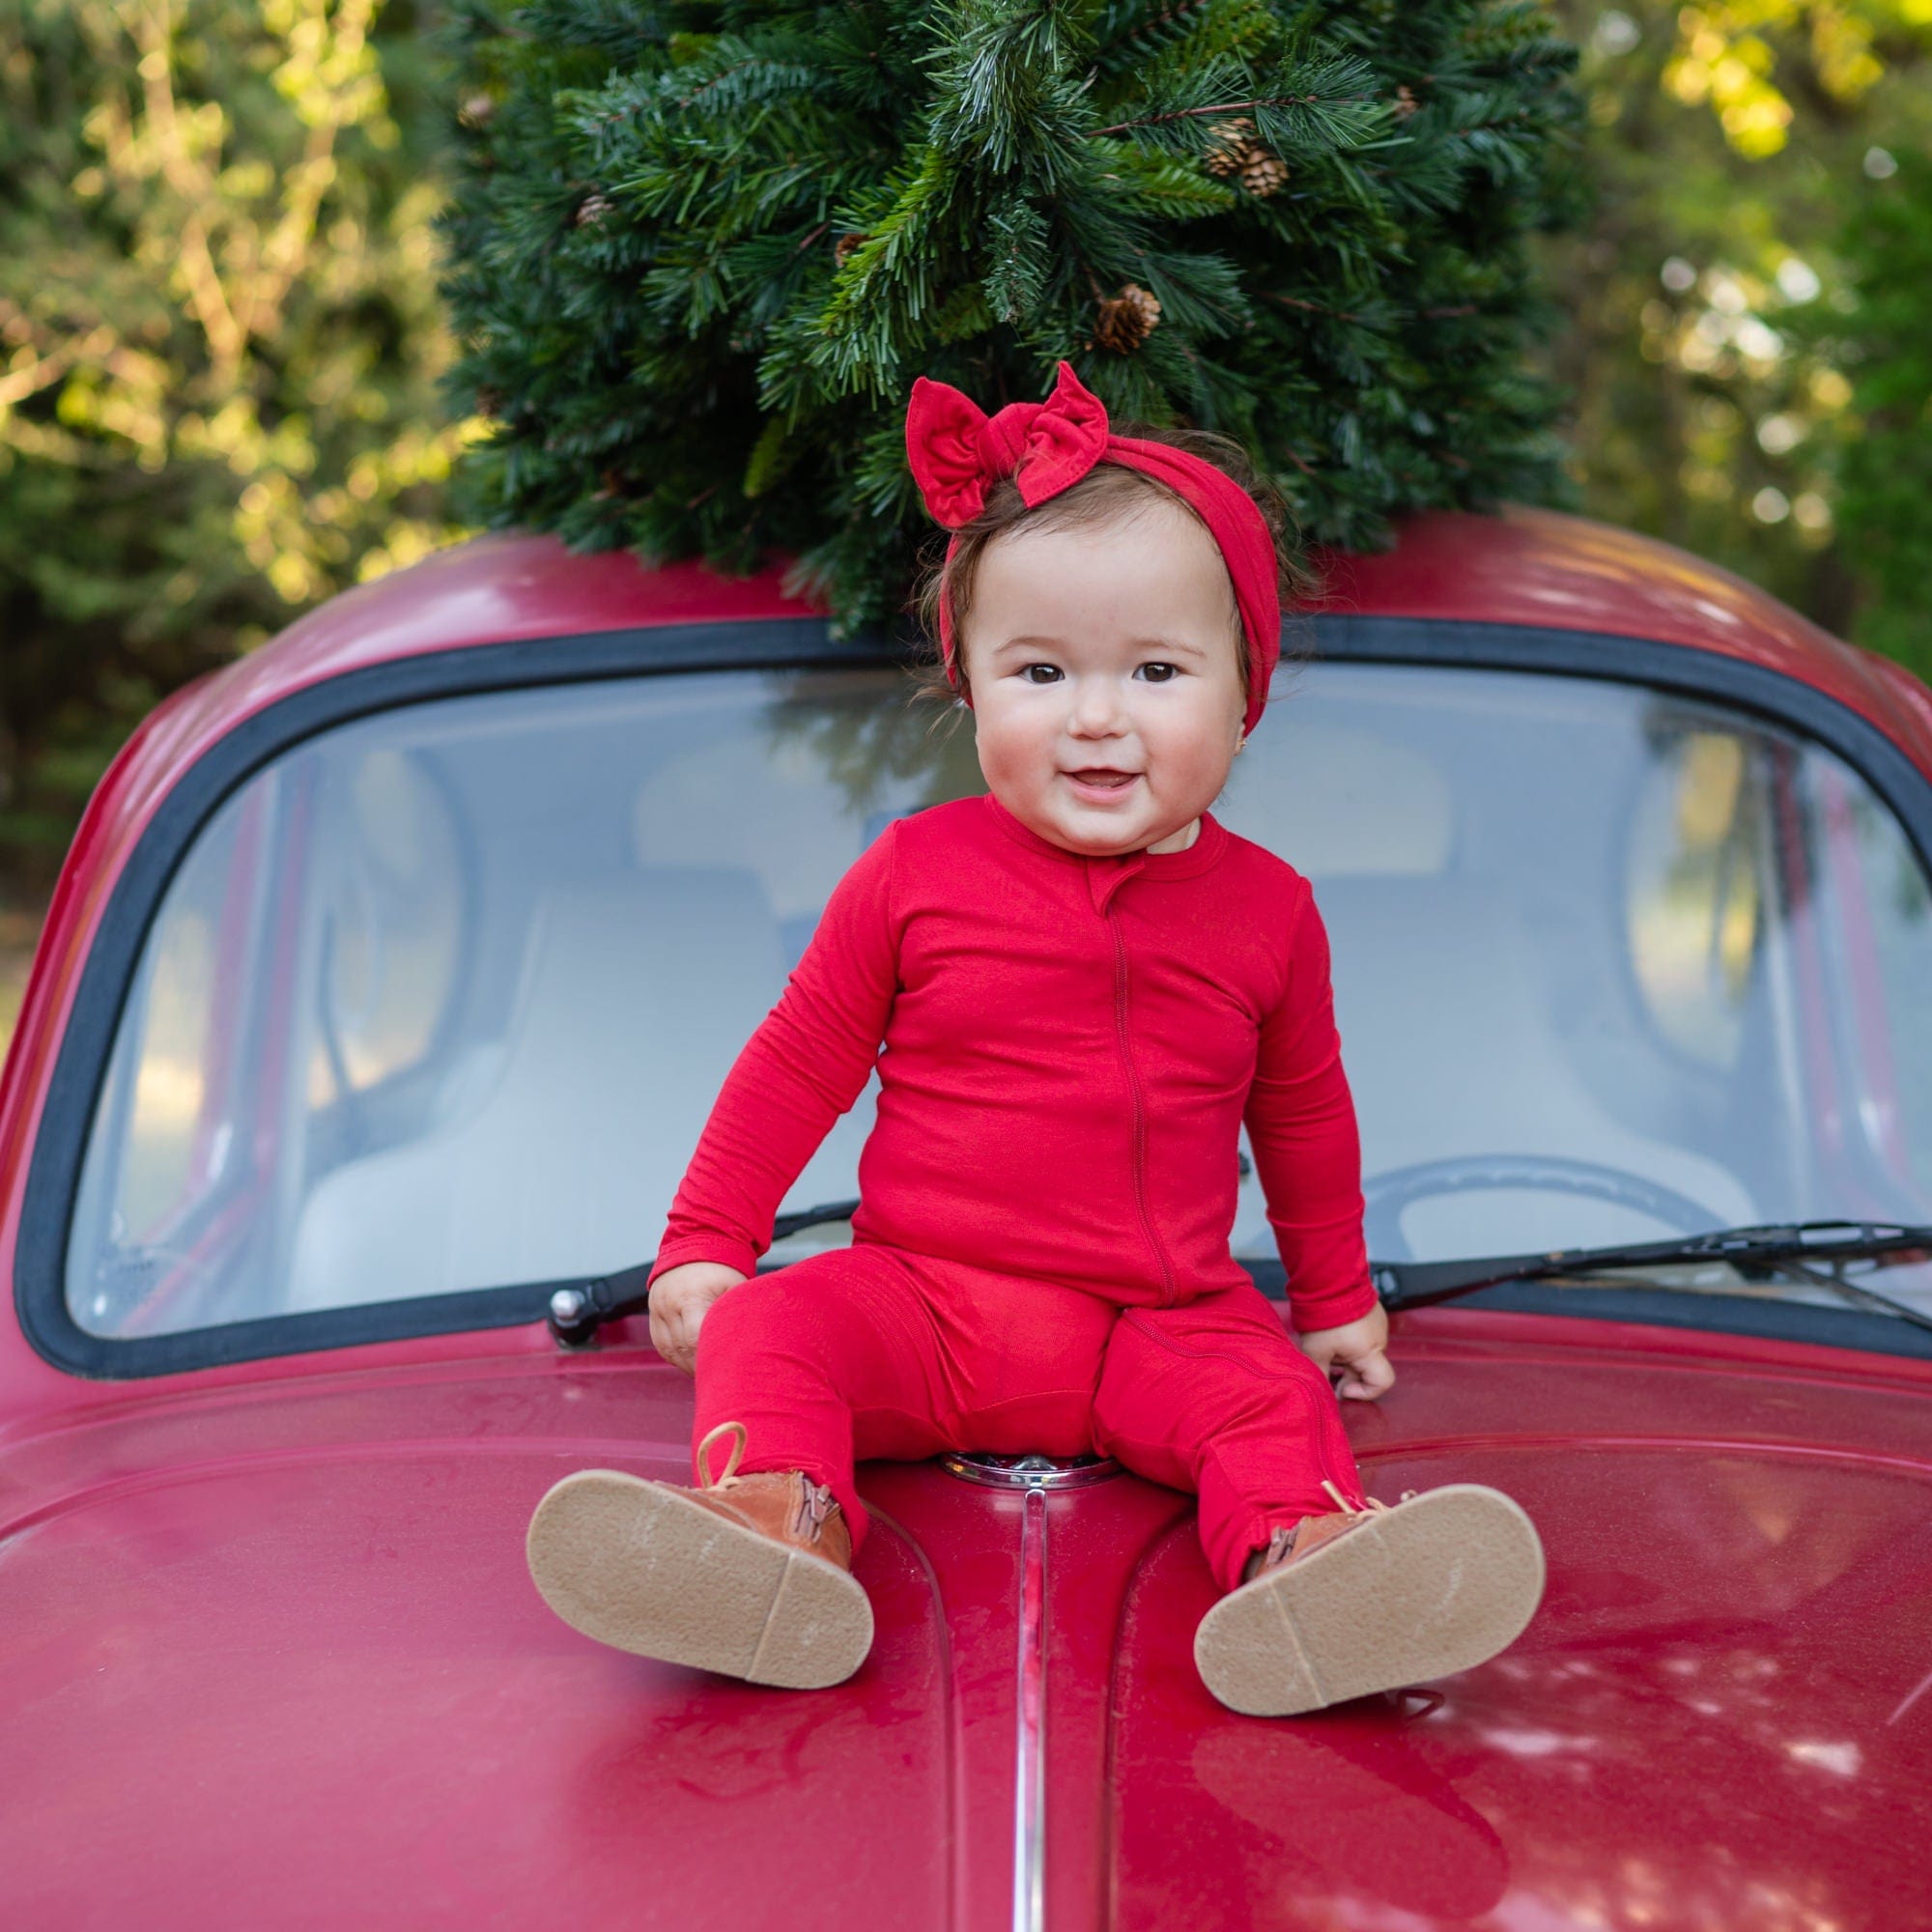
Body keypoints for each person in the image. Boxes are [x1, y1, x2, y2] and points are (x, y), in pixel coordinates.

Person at [525, 360, 1546, 1715]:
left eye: (1158, 669)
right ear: (970, 686)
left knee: (1273, 1404)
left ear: (1248, 689)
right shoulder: (911, 873)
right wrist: (708, 1244)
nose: (1098, 716)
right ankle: (776, 1532)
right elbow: (799, 1060)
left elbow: (1301, 1117)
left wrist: (1335, 1298)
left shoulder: (1270, 913)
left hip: (1159, 1323)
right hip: (927, 1302)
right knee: (773, 1333)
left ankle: (1310, 1561)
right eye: (1042, 670)